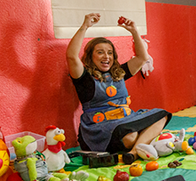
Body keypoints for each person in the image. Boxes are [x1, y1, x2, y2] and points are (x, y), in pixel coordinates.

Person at [66, 13, 171, 163]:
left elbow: (142, 58)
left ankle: (134, 153)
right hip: (100, 128)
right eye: (100, 52)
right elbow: (71, 56)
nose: (106, 56)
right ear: (90, 57)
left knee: (161, 115)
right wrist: (85, 26)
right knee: (131, 137)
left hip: (125, 119)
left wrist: (134, 31)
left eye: (110, 53)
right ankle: (143, 142)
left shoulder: (118, 73)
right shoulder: (85, 78)